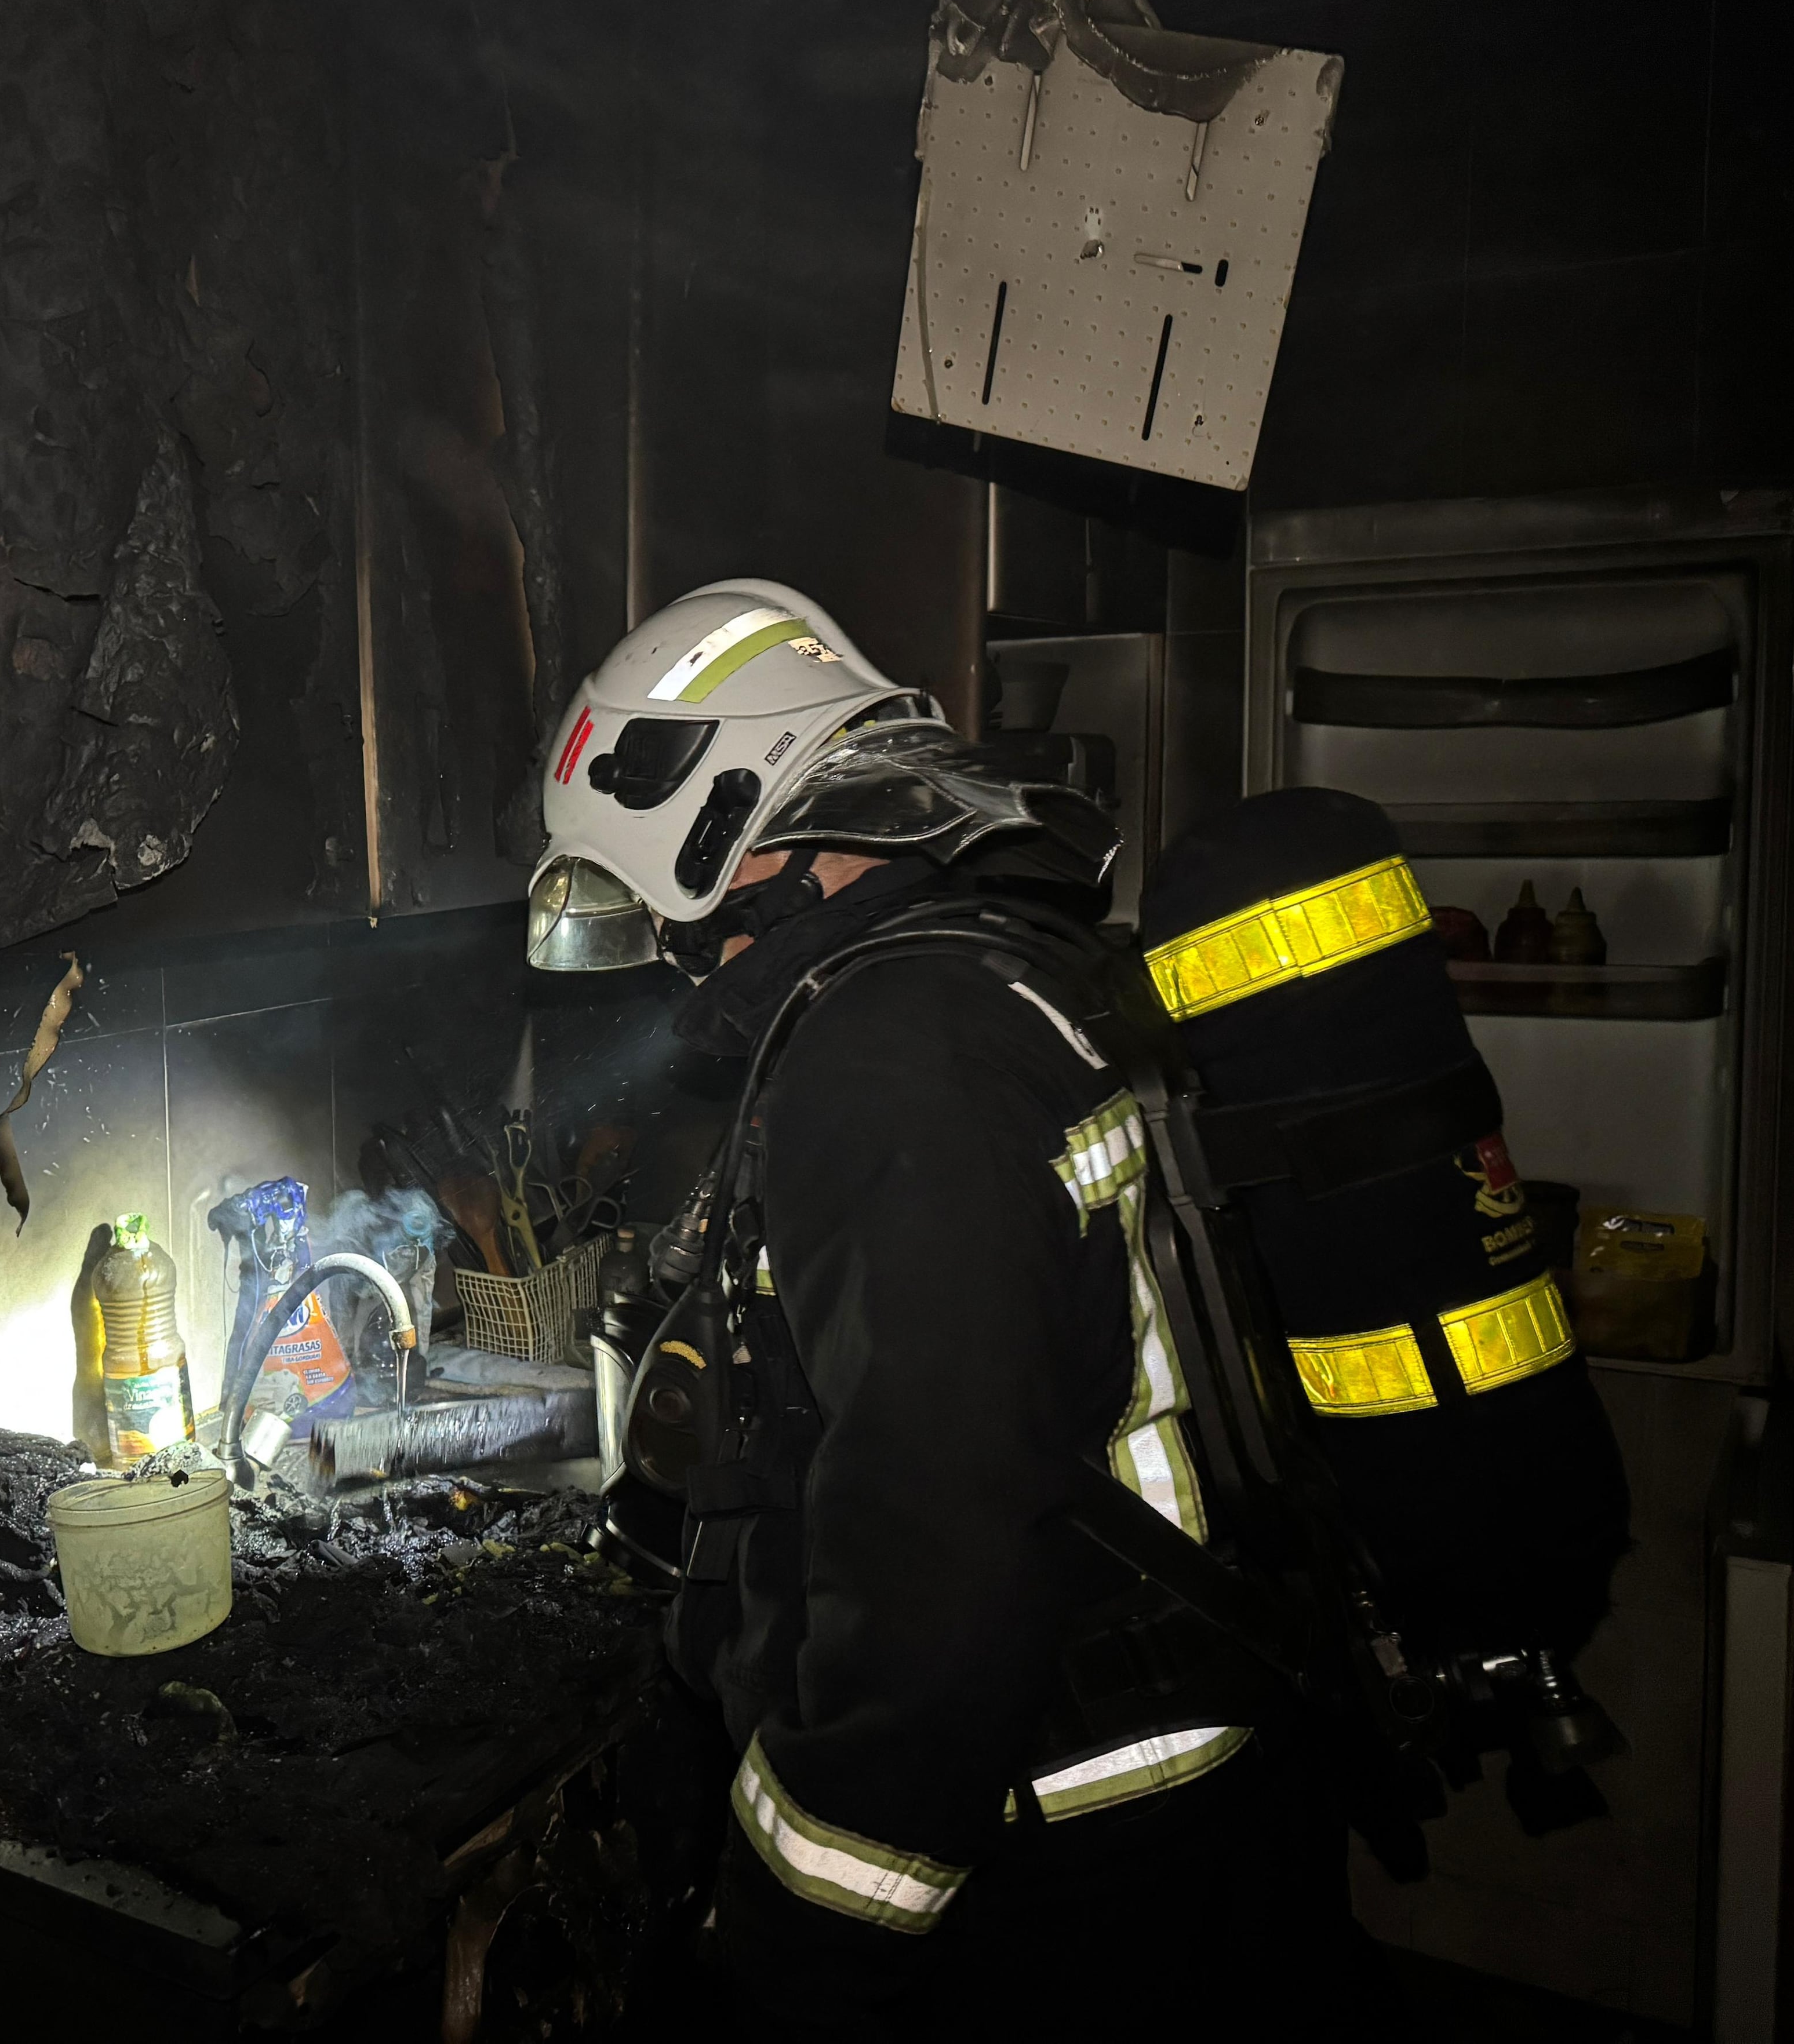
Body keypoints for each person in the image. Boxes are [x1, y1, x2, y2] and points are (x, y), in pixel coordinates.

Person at [526, 578, 1622, 2037]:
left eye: (681, 925)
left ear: (746, 840)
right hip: (1210, 1782)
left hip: (1077, 1859)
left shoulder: (887, 1060)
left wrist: (801, 1935)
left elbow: (939, 1555)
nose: (689, 968)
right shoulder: (1018, 975)